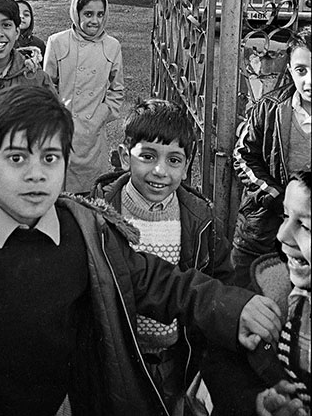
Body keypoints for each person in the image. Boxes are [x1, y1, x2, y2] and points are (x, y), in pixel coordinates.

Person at [0, 86, 283, 416]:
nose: (36, 175)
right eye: (17, 158)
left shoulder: (91, 233)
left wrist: (232, 305)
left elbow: (162, 283)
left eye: (50, 158)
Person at [92, 98, 233, 416]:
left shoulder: (200, 219)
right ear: (124, 155)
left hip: (175, 360)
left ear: (186, 166)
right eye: (147, 156)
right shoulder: (99, 214)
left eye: (173, 160)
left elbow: (220, 278)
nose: (160, 171)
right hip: (119, 359)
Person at [201, 167, 311, 416]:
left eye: (305, 226)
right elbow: (220, 363)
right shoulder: (273, 290)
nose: (282, 235)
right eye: (285, 217)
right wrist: (255, 401)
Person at [231, 27, 311, 287]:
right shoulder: (269, 108)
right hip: (262, 230)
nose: (309, 81)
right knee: (249, 295)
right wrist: (274, 195)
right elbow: (243, 156)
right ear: (289, 69)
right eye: (301, 70)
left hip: (307, 238)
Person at [44, 0, 124, 194]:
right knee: (60, 193)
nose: (94, 21)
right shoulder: (57, 42)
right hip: (62, 130)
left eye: (100, 14)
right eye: (88, 14)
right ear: (76, 14)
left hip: (93, 134)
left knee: (91, 194)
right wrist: (56, 117)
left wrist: (101, 115)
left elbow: (117, 90)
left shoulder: (112, 46)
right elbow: (47, 86)